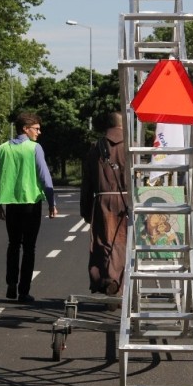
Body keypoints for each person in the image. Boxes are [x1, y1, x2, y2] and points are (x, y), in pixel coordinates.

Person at [0, 112, 58, 303]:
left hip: (10, 203)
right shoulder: (34, 148)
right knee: (29, 248)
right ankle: (24, 291)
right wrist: (51, 202)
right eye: (36, 128)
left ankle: (11, 283)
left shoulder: (3, 148)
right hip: (30, 203)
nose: (39, 132)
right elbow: (45, 177)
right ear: (25, 129)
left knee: (13, 244)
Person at [80, 112, 128, 296]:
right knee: (122, 242)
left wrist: (85, 208)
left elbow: (87, 182)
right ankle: (117, 282)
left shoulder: (96, 147)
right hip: (125, 200)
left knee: (102, 241)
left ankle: (107, 279)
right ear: (122, 126)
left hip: (102, 199)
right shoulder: (131, 147)